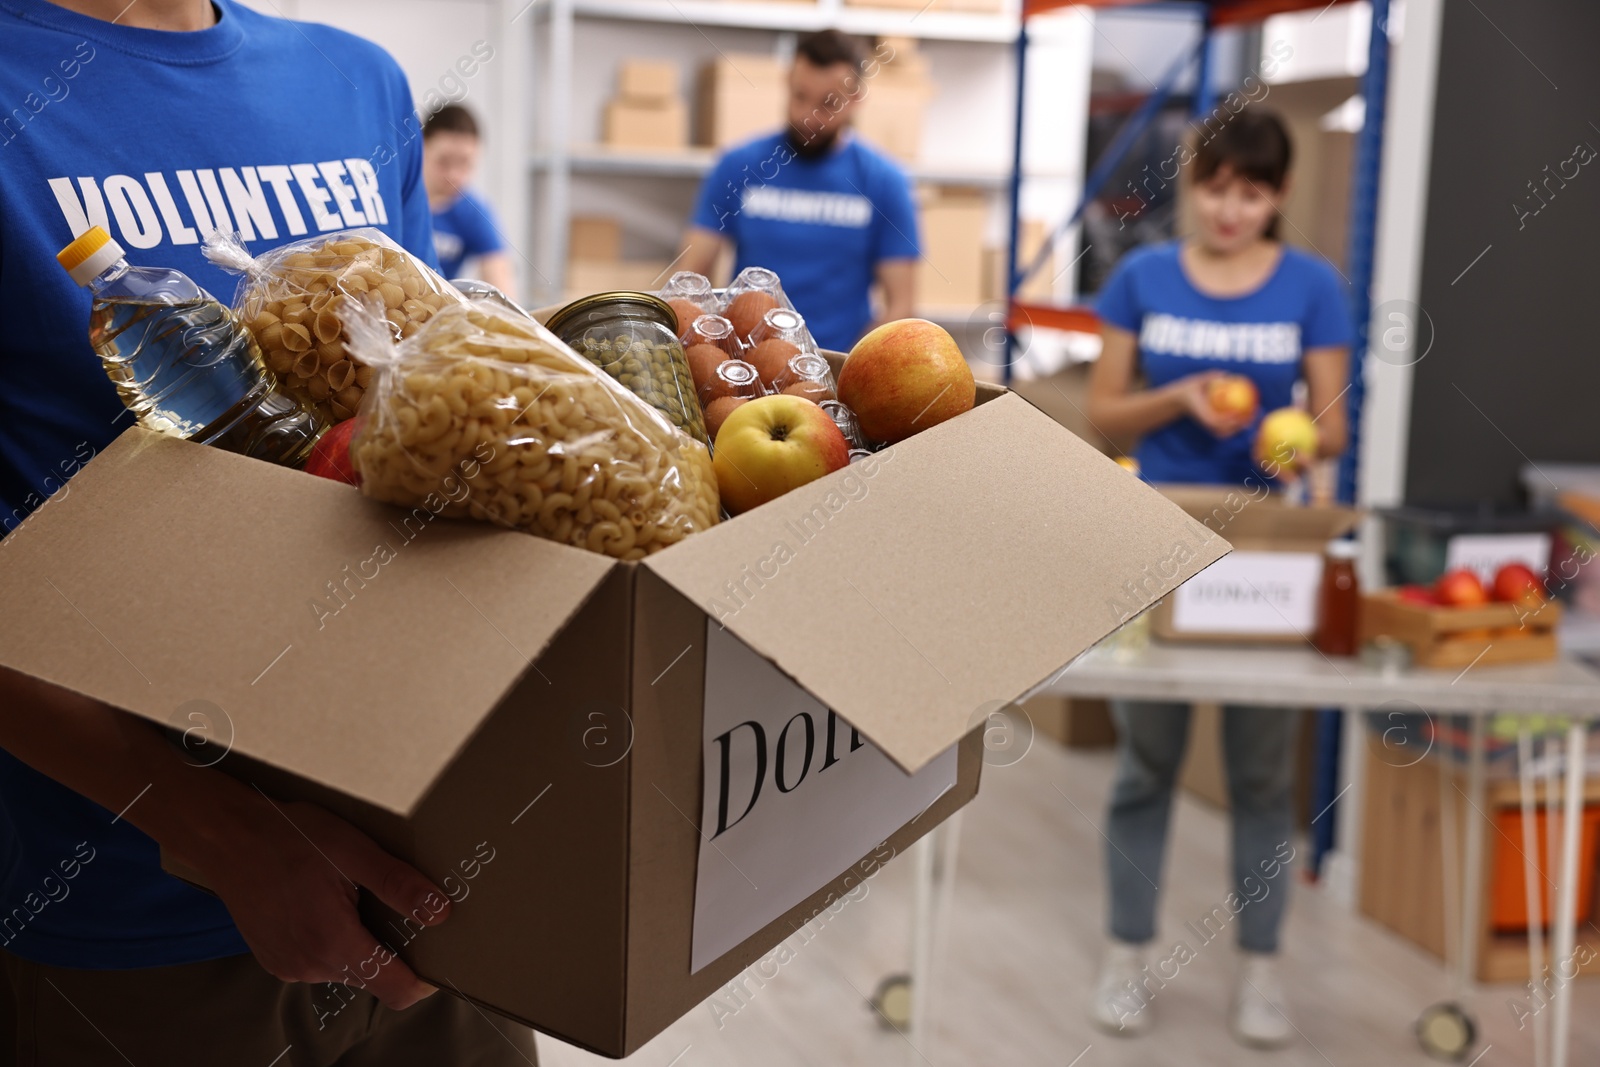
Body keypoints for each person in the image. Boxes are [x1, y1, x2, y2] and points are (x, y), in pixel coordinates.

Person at [0, 2, 536, 1062]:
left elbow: (430, 419)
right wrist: (218, 831)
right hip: (138, 914)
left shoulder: (353, 81)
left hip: (430, 874)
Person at [1083, 108, 1351, 1048]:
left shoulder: (1312, 286)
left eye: (1252, 190)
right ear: (1191, 182)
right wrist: (1180, 396)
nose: (1230, 207)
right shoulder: (1141, 278)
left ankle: (1263, 970)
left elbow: (1332, 426)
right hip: (1158, 536)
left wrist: (1296, 439)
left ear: (1276, 196)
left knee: (1262, 773)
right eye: (1214, 185)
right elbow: (1108, 415)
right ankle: (1124, 954)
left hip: (1265, 551)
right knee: (1145, 764)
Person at [680, 29, 919, 353]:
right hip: (746, 363)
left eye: (827, 103)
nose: (808, 116)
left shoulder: (884, 181)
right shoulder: (738, 165)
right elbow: (690, 276)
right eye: (800, 96)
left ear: (856, 98)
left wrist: (853, 369)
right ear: (787, 81)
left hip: (838, 364)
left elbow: (901, 307)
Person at [422, 103, 517, 297]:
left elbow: (501, 285)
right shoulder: (394, 202)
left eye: (465, 163)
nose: (454, 175)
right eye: (444, 161)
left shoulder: (473, 212)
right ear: (421, 148)